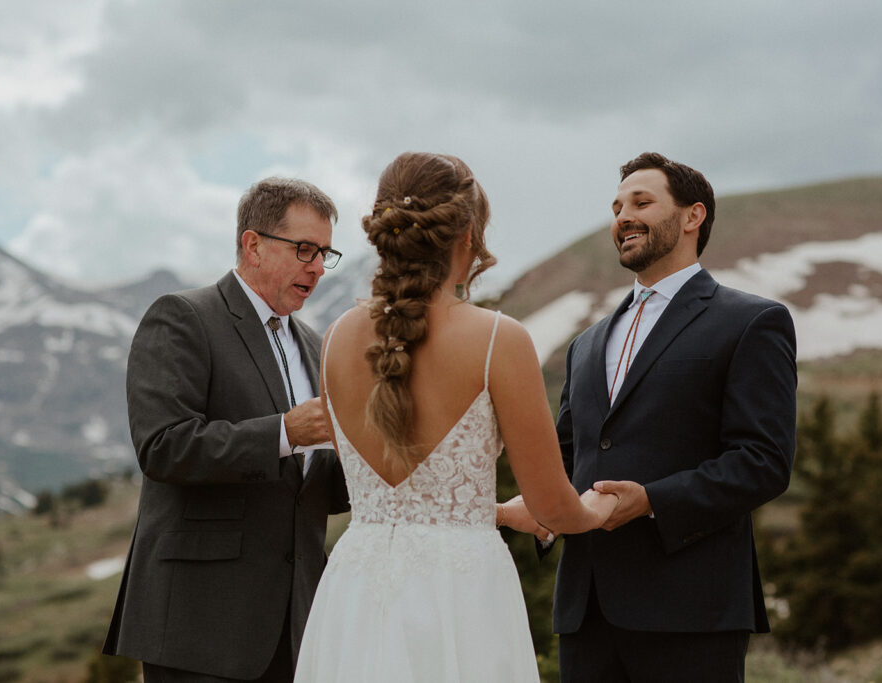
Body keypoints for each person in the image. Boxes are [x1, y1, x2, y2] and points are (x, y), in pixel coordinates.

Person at [293, 152, 618, 682]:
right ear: (468, 233)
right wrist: (599, 509)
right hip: (460, 596)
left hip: (355, 588)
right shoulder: (497, 340)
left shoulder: (335, 340)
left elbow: (404, 499)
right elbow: (554, 508)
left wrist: (494, 511)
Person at [551, 152, 797, 682]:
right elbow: (568, 454)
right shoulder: (586, 345)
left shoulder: (752, 321)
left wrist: (651, 501)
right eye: (617, 207)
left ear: (693, 216)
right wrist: (546, 512)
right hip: (585, 612)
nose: (623, 217)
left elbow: (763, 461)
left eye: (642, 202)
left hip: (693, 612)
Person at [103, 177, 350, 682]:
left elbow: (302, 488)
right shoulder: (183, 317)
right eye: (305, 249)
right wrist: (285, 430)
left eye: (326, 253)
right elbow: (164, 447)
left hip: (298, 623)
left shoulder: (316, 344)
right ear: (252, 244)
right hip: (201, 624)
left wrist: (364, 464)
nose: (318, 266)